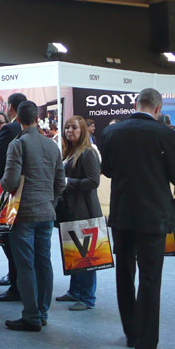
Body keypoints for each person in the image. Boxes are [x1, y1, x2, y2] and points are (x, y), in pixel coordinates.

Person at [101, 88, 175, 349]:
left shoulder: (112, 132)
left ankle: (132, 333)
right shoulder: (165, 133)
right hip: (153, 215)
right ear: (158, 108)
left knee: (124, 273)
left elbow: (108, 170)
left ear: (135, 104)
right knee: (150, 279)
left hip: (122, 213)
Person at [1, 100, 65, 332]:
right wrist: (50, 201)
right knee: (44, 262)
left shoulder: (18, 144)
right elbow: (60, 183)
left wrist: (2, 184)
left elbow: (10, 181)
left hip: (24, 214)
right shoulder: (52, 146)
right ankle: (42, 312)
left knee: (25, 265)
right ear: (37, 119)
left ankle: (31, 316)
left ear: (17, 119)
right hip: (46, 212)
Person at [55, 116, 101, 311]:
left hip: (84, 211)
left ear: (83, 130)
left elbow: (94, 181)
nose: (69, 131)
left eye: (74, 127)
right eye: (67, 127)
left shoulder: (88, 153)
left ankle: (87, 297)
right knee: (73, 253)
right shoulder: (69, 152)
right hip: (70, 210)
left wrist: (68, 182)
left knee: (87, 256)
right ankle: (75, 291)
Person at [0, 92, 27, 300]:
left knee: (9, 238)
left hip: (9, 193)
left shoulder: (10, 129)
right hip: (29, 194)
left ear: (10, 107)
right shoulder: (37, 133)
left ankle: (16, 284)